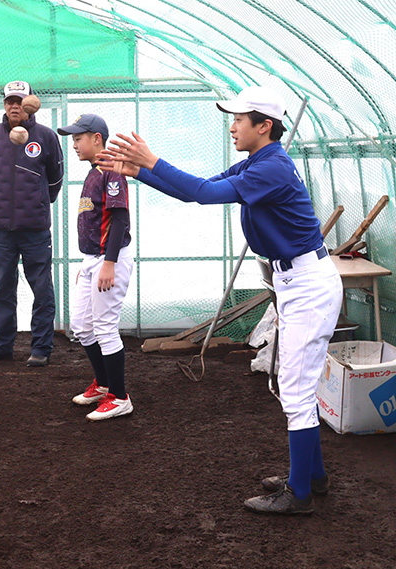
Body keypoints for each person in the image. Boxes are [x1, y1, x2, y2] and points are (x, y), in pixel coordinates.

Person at [101, 86, 342, 514]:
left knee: (296, 391)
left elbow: (203, 193)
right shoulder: (259, 162)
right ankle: (311, 478)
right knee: (296, 387)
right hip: (296, 283)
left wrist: (152, 160)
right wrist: (140, 172)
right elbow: (199, 189)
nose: (232, 126)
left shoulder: (272, 169)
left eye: (238, 119)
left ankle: (300, 496)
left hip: (308, 284)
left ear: (263, 126)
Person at [0, 80, 64, 367]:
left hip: (35, 229)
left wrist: (37, 203)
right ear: (4, 105)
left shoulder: (47, 137)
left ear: (29, 104)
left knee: (41, 289)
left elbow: (55, 179)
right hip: (1, 228)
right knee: (2, 288)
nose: (14, 106)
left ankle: (41, 348)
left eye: (20, 101)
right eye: (10, 101)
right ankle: (0, 345)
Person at [57, 114, 135, 421]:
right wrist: (90, 262)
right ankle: (104, 384)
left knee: (104, 327)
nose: (74, 144)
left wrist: (108, 263)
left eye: (79, 138)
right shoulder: (95, 171)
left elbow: (119, 220)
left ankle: (120, 397)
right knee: (82, 326)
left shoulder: (111, 171)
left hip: (110, 258)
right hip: (94, 259)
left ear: (96, 139)